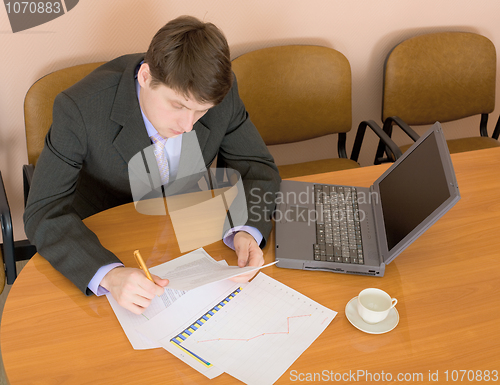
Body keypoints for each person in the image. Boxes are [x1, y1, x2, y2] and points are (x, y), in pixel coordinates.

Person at [24, 15, 280, 315]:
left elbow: (256, 166)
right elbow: (43, 210)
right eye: (178, 106)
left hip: (185, 233)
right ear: (145, 76)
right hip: (104, 235)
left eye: (201, 111)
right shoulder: (80, 108)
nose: (188, 125)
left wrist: (247, 231)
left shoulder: (217, 92)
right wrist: (109, 274)